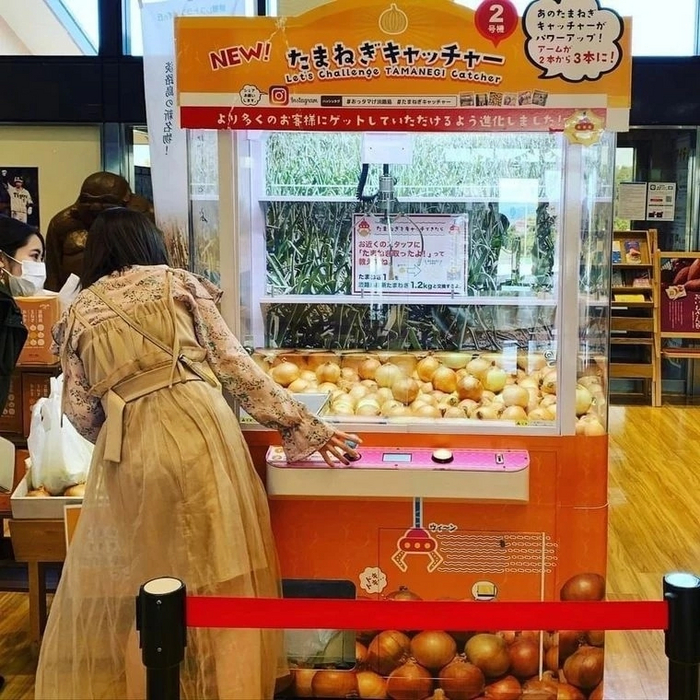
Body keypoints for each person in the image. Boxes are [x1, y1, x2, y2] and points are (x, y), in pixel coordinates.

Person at [34, 208, 361, 700]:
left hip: (132, 451)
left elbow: (80, 413)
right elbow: (234, 365)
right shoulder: (175, 283)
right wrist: (303, 423)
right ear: (149, 242)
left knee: (148, 596)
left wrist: (131, 421)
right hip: (201, 435)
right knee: (229, 588)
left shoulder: (79, 312)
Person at [44, 172, 154, 292]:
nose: (95, 207)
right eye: (88, 201)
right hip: (76, 296)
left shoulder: (142, 220)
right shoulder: (63, 223)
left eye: (105, 201)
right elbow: (53, 274)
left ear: (125, 201)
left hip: (130, 295)